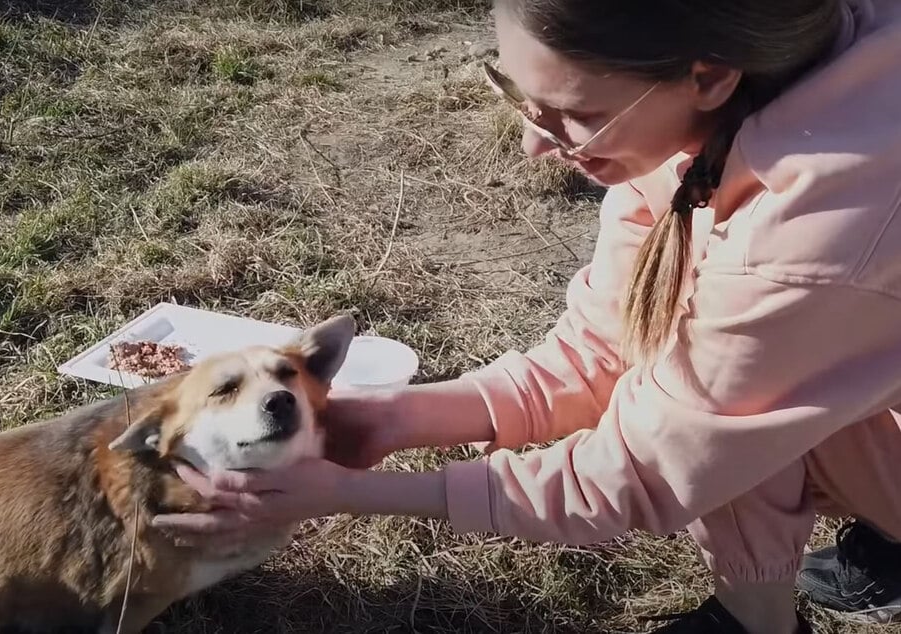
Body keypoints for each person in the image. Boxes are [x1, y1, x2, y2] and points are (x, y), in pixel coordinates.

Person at [152, 0, 901, 631]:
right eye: (515, 95)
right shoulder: (739, 98)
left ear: (707, 76)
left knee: (727, 409)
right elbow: (602, 352)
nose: (532, 144)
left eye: (572, 114)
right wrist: (398, 418)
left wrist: (352, 494)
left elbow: (644, 469)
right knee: (720, 381)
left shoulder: (818, 223)